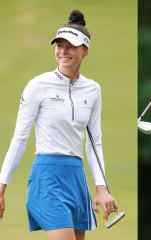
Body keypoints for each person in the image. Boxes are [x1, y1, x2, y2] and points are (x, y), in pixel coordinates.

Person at [0, 10, 118, 240]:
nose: (63, 51)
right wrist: (1, 185)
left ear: (85, 50)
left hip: (76, 177)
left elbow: (95, 143)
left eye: (71, 46)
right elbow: (20, 138)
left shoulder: (93, 89)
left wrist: (101, 188)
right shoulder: (37, 85)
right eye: (59, 45)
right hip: (47, 176)